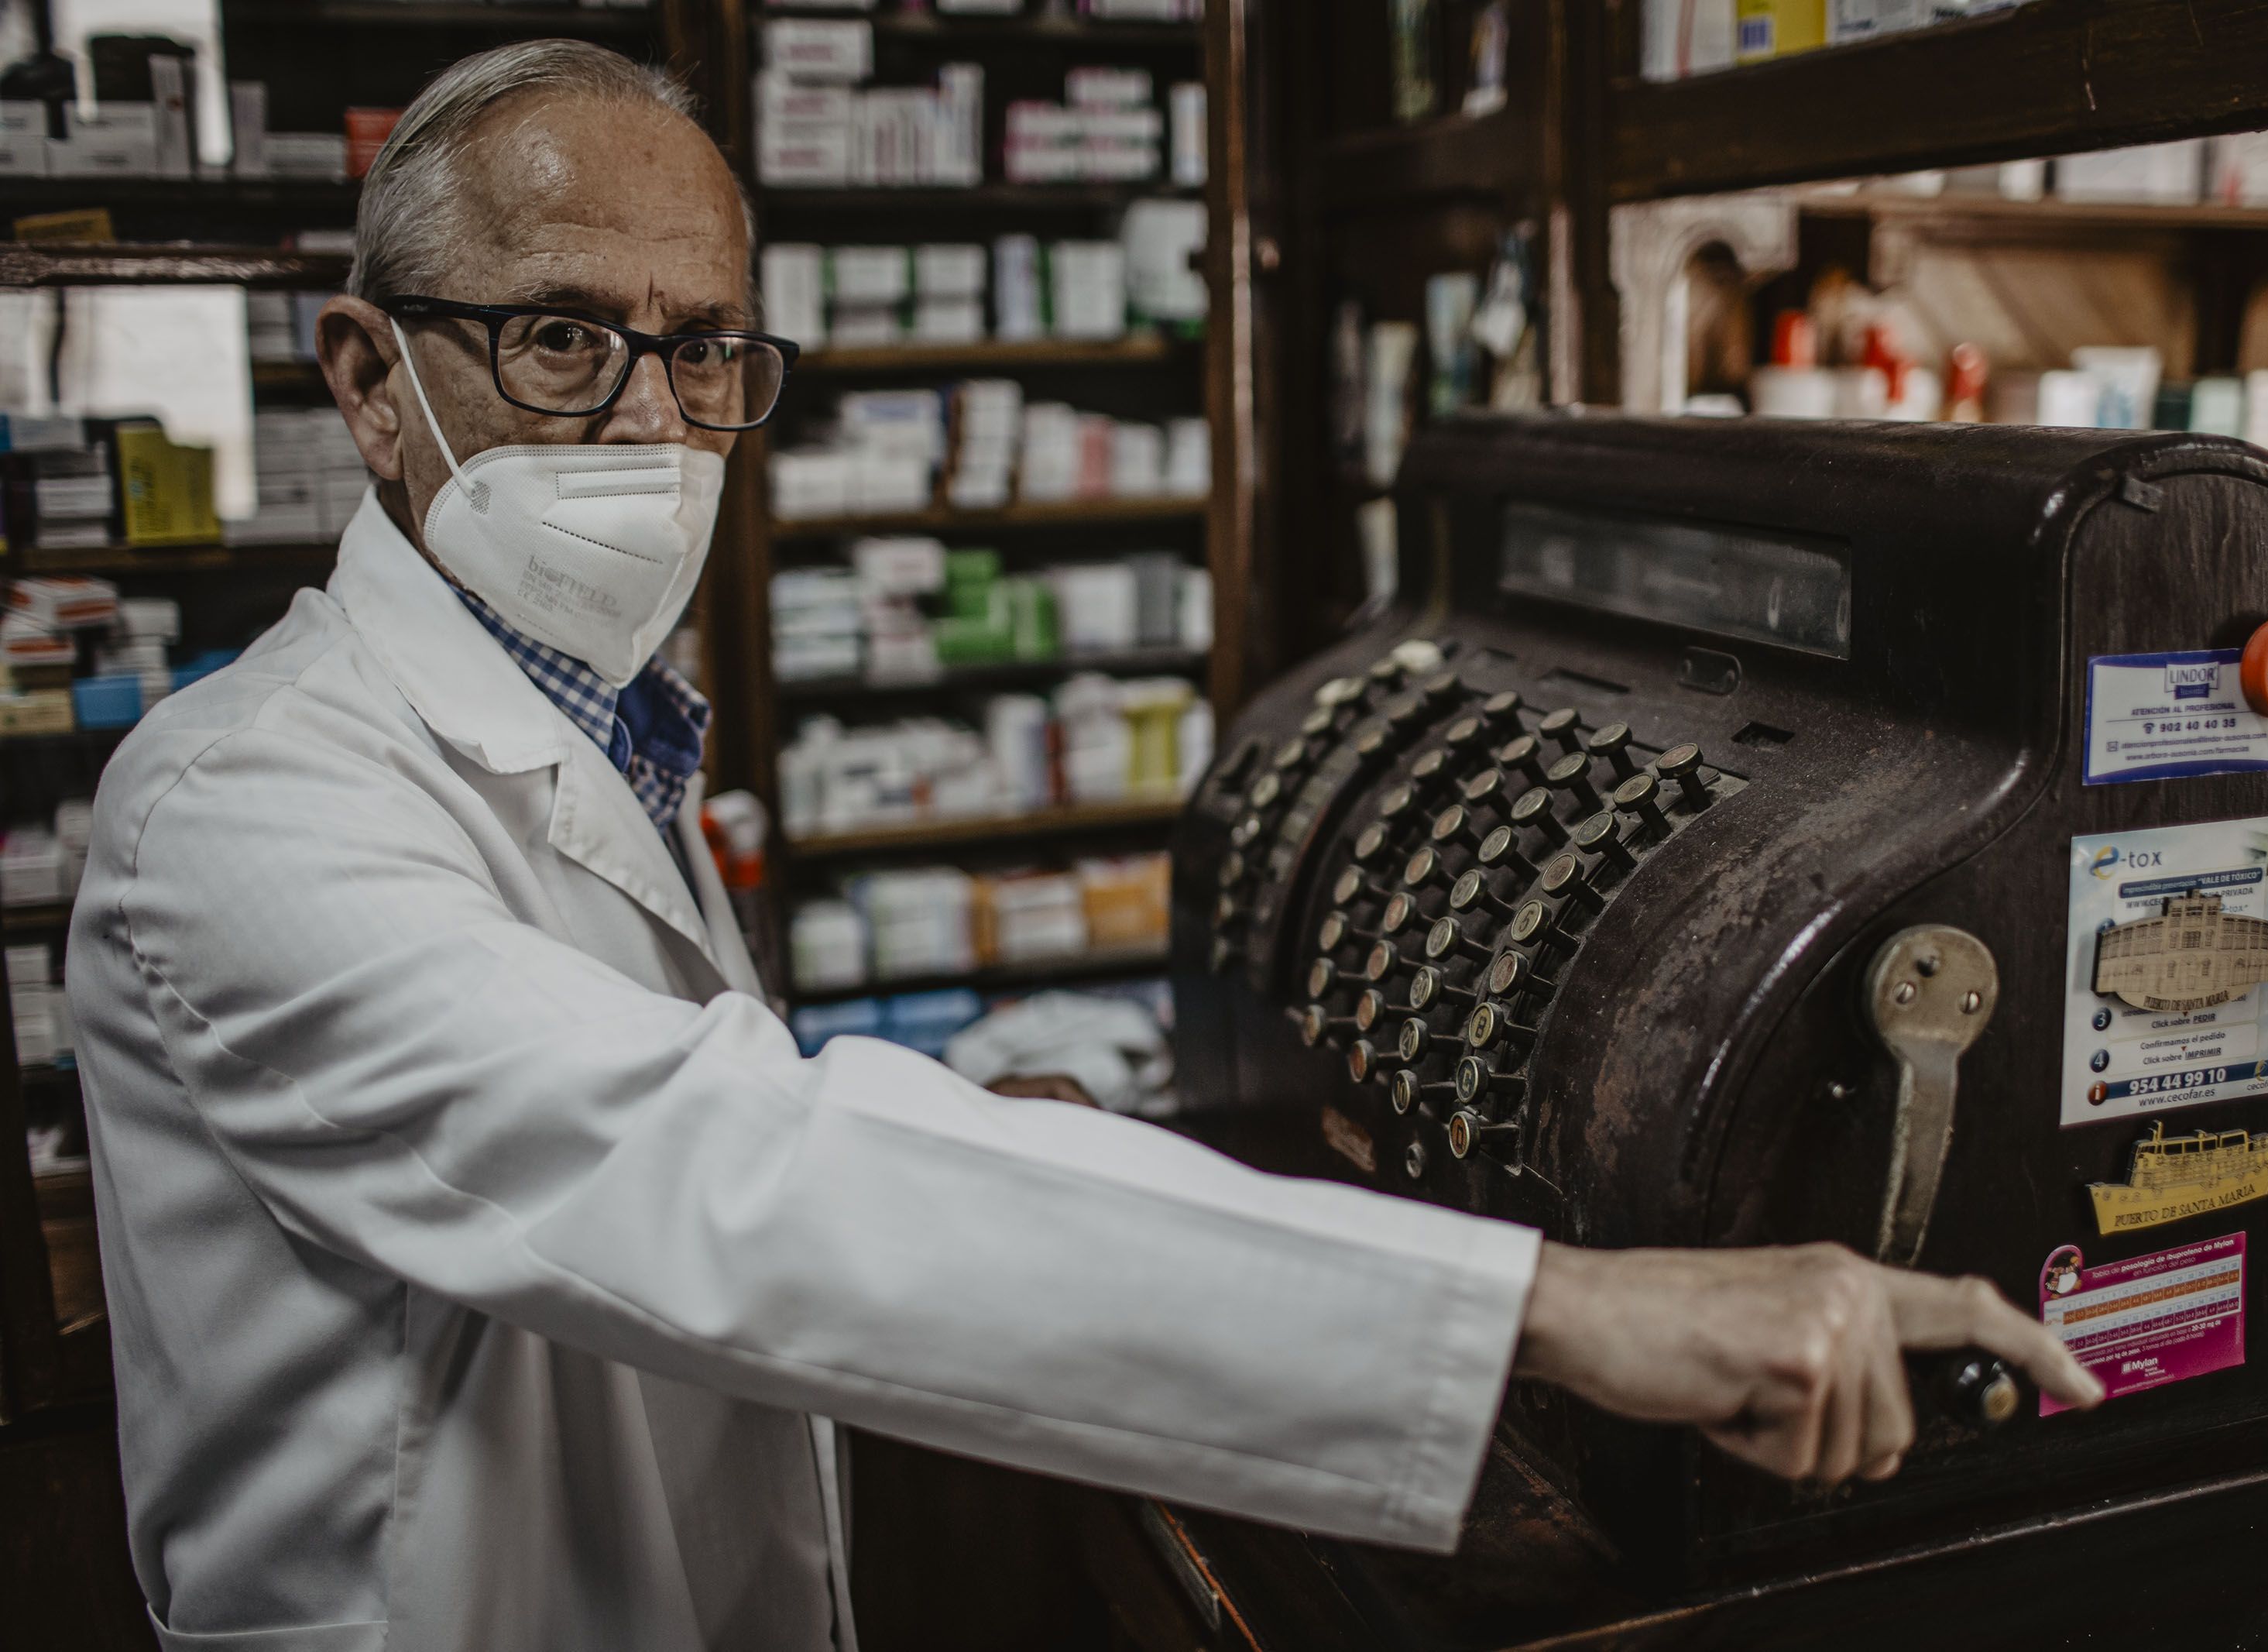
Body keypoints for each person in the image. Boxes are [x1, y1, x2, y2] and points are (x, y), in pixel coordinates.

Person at [63, 41, 2100, 1651]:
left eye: (704, 349)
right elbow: (708, 1168)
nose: (652, 426)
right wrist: (1554, 1307)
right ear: (368, 376)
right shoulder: (245, 808)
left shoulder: (586, 729)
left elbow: (704, 1108)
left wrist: (989, 1111)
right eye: (563, 339)